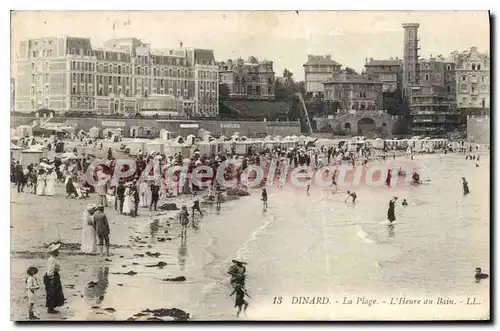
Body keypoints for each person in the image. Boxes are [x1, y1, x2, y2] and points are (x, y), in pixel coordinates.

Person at [44, 243, 65, 314]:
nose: (58, 252)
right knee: (51, 292)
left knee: (56, 291)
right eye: (57, 251)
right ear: (53, 252)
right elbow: (50, 270)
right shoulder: (51, 260)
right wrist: (51, 279)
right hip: (51, 276)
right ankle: (50, 308)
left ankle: (52, 307)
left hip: (55, 276)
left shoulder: (54, 259)